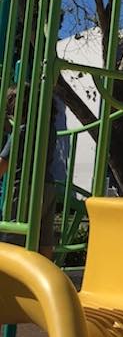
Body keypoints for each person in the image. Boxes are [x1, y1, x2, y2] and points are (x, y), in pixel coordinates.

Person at [0, 84, 58, 260]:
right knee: (43, 238)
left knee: (12, 237)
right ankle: (46, 273)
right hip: (47, 186)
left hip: (24, 188)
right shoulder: (49, 129)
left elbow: (3, 164)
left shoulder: (22, 131)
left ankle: (11, 281)